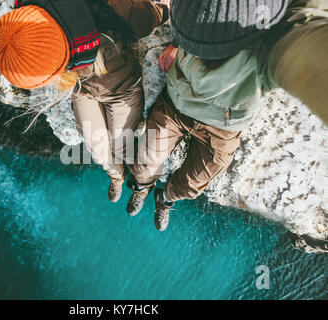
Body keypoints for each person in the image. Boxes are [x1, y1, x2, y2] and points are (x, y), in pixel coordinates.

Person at [127, 0, 328, 231]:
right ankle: (141, 187)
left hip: (222, 126)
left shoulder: (270, 45)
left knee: (192, 185)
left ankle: (166, 198)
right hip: (176, 105)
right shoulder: (200, 11)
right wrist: (177, 42)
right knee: (144, 162)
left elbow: (307, 51)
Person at [0, 0, 169, 202]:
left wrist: (162, 11)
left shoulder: (108, 10)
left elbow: (144, 17)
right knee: (98, 151)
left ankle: (142, 186)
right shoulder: (26, 22)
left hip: (122, 91)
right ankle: (117, 175)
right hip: (82, 90)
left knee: (122, 146)